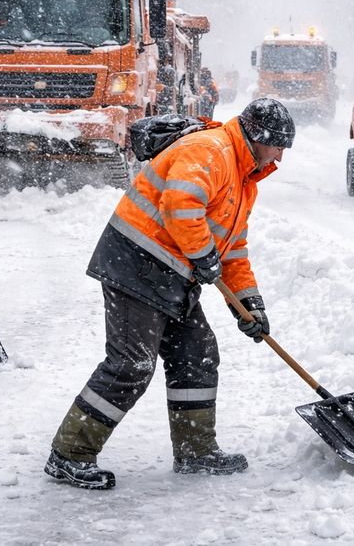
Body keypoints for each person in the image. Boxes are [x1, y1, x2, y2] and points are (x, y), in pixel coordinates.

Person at [44, 98, 295, 490]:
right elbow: (180, 204)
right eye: (278, 145)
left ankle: (196, 451)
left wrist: (249, 303)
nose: (280, 155)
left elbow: (234, 250)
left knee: (197, 353)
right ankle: (69, 454)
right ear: (259, 136)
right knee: (131, 365)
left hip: (173, 275)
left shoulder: (245, 179)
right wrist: (203, 254)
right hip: (137, 263)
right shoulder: (211, 150)